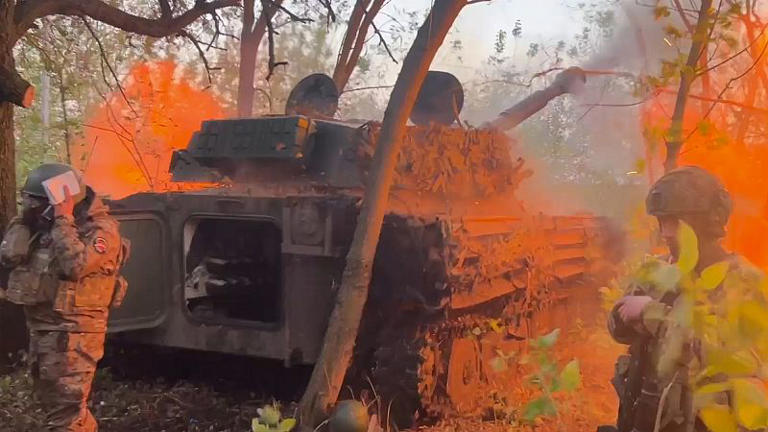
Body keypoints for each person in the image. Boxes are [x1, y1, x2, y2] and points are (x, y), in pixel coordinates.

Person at [606, 165, 766, 432]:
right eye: (661, 222)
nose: (666, 232)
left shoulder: (745, 282)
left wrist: (651, 315)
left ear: (710, 220)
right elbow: (617, 325)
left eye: (675, 221)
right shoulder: (656, 271)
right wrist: (621, 319)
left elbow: (741, 359)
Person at [0, 163, 128, 432]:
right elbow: (9, 255)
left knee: (65, 416)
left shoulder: (100, 231)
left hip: (74, 334)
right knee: (61, 410)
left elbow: (75, 266)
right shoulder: (41, 226)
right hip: (44, 329)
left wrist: (62, 218)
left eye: (36, 203)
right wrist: (29, 222)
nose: (30, 208)